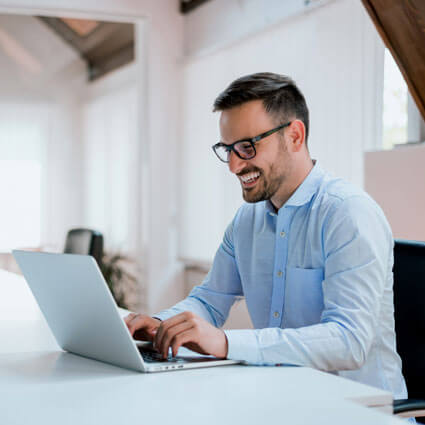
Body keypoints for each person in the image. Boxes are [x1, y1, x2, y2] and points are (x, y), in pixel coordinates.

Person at [125, 72, 407, 399]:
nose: (233, 166)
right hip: (281, 401)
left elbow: (349, 341)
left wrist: (226, 342)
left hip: (357, 413)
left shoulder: (348, 214)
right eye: (227, 149)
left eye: (246, 147)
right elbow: (209, 300)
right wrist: (161, 325)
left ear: (295, 137)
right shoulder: (248, 220)